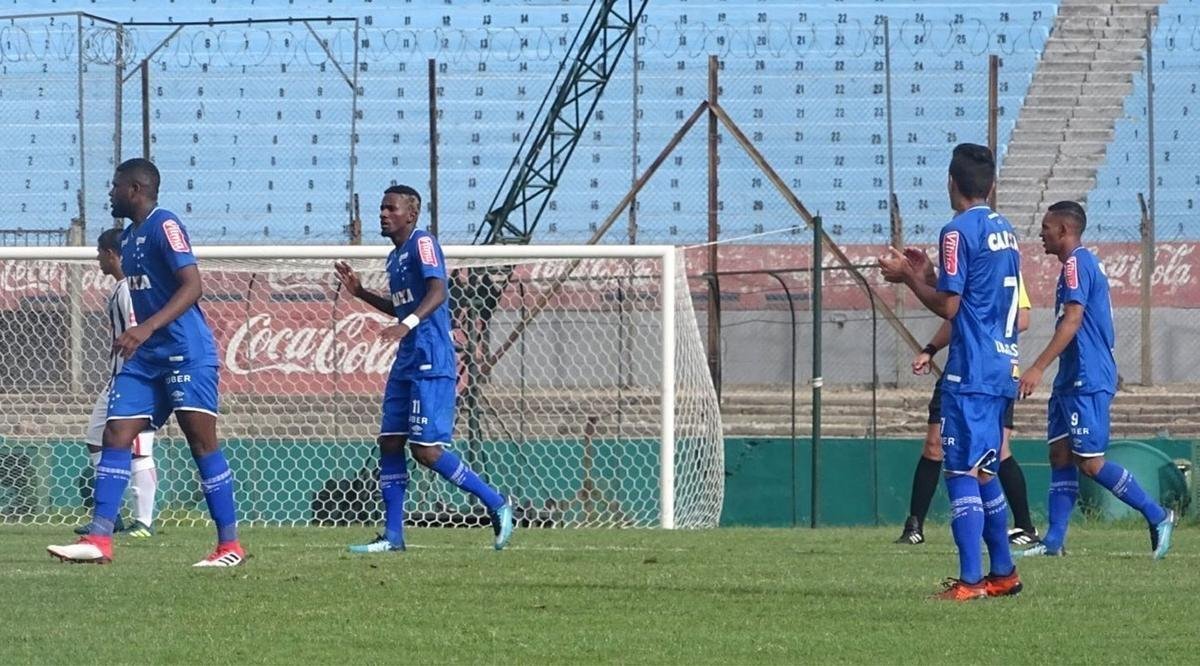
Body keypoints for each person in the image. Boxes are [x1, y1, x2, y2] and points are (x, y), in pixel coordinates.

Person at [48, 158, 243, 567]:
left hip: (186, 353)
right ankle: (99, 538)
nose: (110, 192)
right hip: (146, 357)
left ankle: (229, 547)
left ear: (135, 189)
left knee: (201, 444)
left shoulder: (164, 224)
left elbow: (194, 286)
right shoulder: (130, 236)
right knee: (115, 433)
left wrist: (146, 327)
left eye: (116, 185)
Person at [335, 184, 514, 553]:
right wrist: (361, 293)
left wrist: (408, 324)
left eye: (391, 208)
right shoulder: (394, 257)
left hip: (432, 357)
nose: (383, 214)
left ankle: (496, 502)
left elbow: (438, 291)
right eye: (382, 208)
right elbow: (402, 307)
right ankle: (393, 537)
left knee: (426, 452)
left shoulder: (423, 243)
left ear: (411, 214)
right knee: (390, 441)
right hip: (408, 359)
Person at [879, 143, 1022, 601]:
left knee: (960, 472)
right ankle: (1004, 573)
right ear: (991, 186)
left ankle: (970, 581)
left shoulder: (957, 231)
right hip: (1002, 365)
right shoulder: (1005, 230)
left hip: (971, 369)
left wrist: (908, 278)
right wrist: (928, 272)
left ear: (950, 183)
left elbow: (951, 306)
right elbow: (975, 291)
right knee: (985, 471)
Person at [1016, 201, 1175, 559]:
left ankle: (1158, 515)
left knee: (1090, 462)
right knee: (1060, 455)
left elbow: (1073, 320)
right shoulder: (1075, 266)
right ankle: (1053, 542)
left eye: (1046, 227)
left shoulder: (1077, 264)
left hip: (1087, 377)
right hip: (1071, 376)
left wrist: (1037, 367)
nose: (1041, 233)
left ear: (1064, 230)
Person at [896, 283, 1039, 547]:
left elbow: (1023, 319)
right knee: (934, 445)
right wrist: (930, 349)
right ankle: (914, 525)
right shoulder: (968, 271)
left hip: (992, 371)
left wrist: (984, 329)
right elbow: (956, 315)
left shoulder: (1004, 268)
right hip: (960, 371)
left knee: (995, 453)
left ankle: (1023, 526)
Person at [73, 228, 159, 538]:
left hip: (135, 379)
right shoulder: (121, 288)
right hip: (117, 378)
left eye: (100, 253)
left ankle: (144, 522)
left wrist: (137, 376)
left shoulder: (131, 290)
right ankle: (111, 516)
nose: (98, 259)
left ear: (112, 254)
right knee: (96, 439)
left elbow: (140, 330)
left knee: (138, 449)